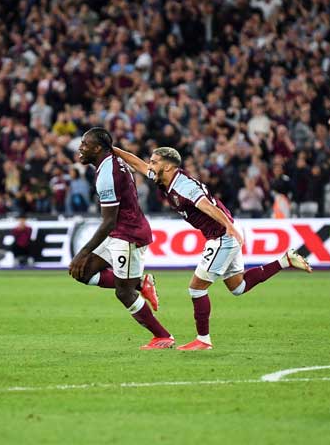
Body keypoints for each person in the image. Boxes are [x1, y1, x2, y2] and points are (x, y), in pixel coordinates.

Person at [113, 145, 312, 351]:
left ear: (169, 167)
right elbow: (137, 163)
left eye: (154, 162)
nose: (150, 166)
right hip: (221, 234)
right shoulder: (164, 177)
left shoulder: (184, 186)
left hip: (222, 237)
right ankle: (285, 260)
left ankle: (203, 340)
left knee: (196, 288)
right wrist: (113, 150)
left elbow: (208, 206)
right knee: (238, 287)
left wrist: (229, 227)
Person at [69, 128, 174, 349]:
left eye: (85, 144)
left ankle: (162, 336)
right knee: (83, 272)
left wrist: (82, 252)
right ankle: (141, 282)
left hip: (128, 235)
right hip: (120, 230)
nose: (80, 147)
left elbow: (108, 222)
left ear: (98, 148)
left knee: (123, 292)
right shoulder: (111, 161)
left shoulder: (108, 174)